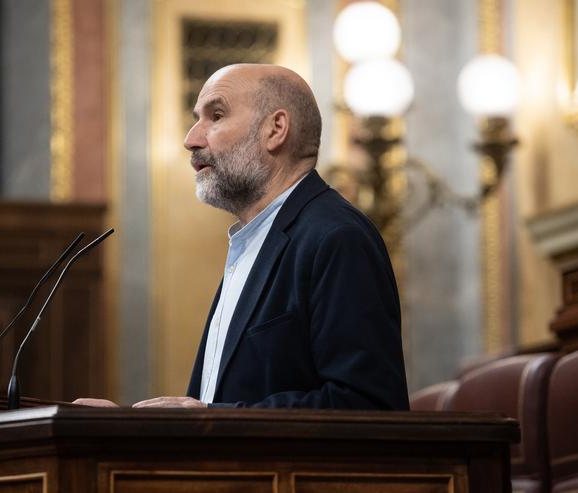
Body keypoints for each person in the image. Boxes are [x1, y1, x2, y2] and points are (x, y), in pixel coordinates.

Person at [75, 64, 409, 409]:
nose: (191, 139)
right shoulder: (255, 241)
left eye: (215, 116)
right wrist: (124, 430)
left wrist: (209, 418)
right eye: (197, 118)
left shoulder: (336, 238)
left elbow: (367, 405)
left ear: (275, 129)